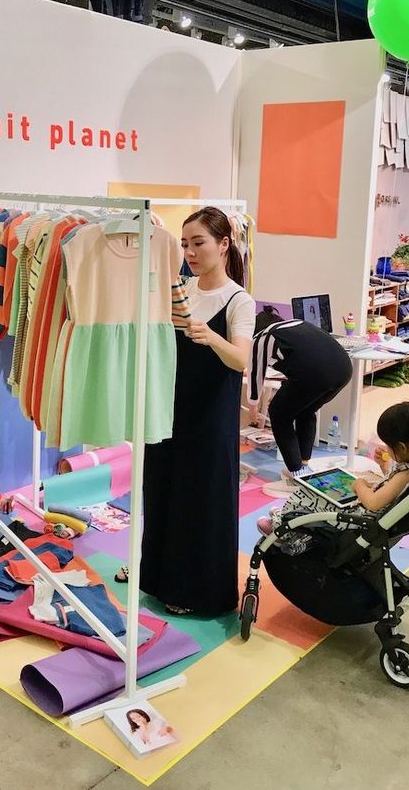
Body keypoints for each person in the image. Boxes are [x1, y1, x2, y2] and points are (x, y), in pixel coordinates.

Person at [137, 207, 256, 615]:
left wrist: (209, 337)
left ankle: (197, 592)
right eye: (184, 244)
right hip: (168, 410)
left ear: (224, 245)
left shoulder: (239, 300)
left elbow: (241, 361)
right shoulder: (179, 290)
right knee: (162, 490)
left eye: (198, 242)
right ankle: (157, 579)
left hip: (210, 417)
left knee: (200, 499)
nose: (189, 251)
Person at [258, 401, 409, 545]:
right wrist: (384, 468)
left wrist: (359, 485)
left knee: (307, 493)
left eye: (389, 446)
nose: (387, 449)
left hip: (360, 521)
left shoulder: (405, 474)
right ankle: (287, 515)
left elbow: (373, 504)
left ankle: (282, 528)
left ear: (402, 447)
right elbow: (393, 490)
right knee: (318, 493)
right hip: (368, 515)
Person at [247, 311, 352, 480]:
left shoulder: (261, 337)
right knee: (305, 411)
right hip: (344, 369)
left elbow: (255, 375)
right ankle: (304, 465)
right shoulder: (297, 324)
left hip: (315, 375)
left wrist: (252, 408)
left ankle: (296, 473)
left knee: (278, 413)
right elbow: (304, 358)